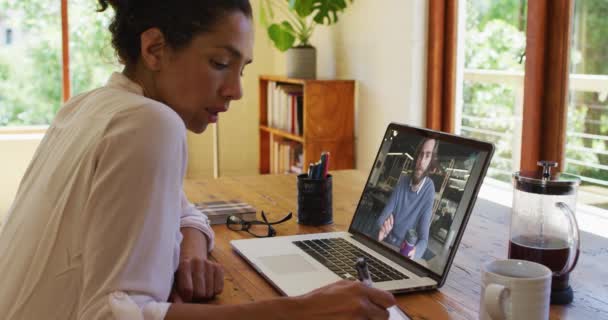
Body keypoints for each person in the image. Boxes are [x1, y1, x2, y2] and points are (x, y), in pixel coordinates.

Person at [0, 1, 396, 319]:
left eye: (242, 69)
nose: (236, 91)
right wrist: (304, 309)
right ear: (154, 48)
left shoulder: (90, 106)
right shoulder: (150, 122)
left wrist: (190, 251)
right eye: (220, 64)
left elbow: (182, 208)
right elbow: (111, 314)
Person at [376, 138, 438, 259]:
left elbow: (424, 240)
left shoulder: (429, 190)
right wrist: (382, 229)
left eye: (427, 156)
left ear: (431, 163)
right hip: (386, 244)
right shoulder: (403, 180)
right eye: (420, 154)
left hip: (403, 253)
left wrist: (414, 252)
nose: (421, 161)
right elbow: (382, 218)